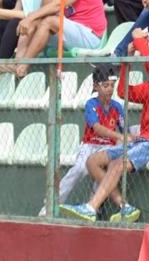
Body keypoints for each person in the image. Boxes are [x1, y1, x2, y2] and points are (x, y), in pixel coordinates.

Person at [62, 29, 149, 223]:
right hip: (142, 140)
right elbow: (125, 91)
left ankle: (91, 208)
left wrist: (141, 39)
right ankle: (124, 207)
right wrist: (126, 60)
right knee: (92, 160)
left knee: (118, 164)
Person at [51, 64, 125, 214]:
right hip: (89, 145)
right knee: (78, 169)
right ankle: (52, 203)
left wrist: (128, 136)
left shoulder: (117, 107)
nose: (110, 89)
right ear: (96, 86)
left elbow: (125, 129)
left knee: (104, 171)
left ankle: (92, 208)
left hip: (107, 148)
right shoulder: (91, 104)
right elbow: (97, 128)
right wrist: (119, 136)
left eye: (112, 85)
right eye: (105, 86)